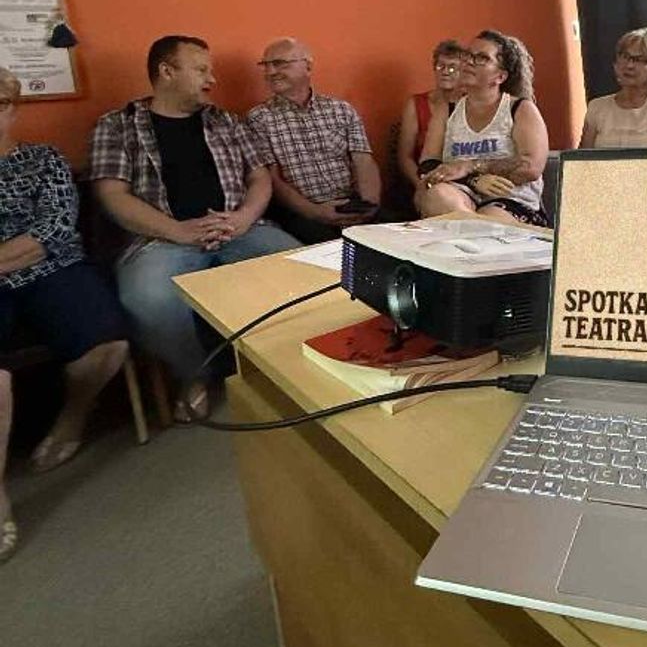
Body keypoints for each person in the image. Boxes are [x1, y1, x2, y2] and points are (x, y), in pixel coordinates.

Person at [90, 35, 298, 416]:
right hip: (163, 239)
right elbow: (112, 196)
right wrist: (178, 231)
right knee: (148, 299)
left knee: (298, 266)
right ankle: (194, 374)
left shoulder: (226, 121)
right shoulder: (118, 125)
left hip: (239, 228)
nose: (212, 79)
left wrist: (243, 218)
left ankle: (282, 362)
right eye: (201, 70)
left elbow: (259, 178)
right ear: (167, 72)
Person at [0, 70, 130, 557]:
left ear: (12, 109)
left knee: (108, 343)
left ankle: (73, 416)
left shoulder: (43, 160)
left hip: (50, 268)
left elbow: (52, 230)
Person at [246, 37, 381, 243]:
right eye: (265, 66)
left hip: (351, 203)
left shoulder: (341, 110)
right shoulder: (259, 118)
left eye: (279, 63)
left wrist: (369, 205)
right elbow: (273, 179)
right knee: (330, 253)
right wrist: (315, 212)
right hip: (302, 212)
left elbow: (363, 161)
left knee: (397, 241)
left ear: (307, 67)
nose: (270, 72)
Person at [417, 31, 550, 226]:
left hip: (511, 200)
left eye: (481, 58)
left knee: (485, 222)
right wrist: (473, 180)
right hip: (461, 194)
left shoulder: (519, 109)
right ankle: (475, 229)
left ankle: (474, 232)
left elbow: (531, 167)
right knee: (437, 196)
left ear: (500, 76)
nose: (469, 62)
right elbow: (428, 165)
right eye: (468, 55)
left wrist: (472, 165)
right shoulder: (447, 110)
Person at [579, 28, 647, 148]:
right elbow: (582, 162)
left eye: (639, 60)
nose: (629, 65)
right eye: (625, 57)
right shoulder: (597, 107)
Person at [396, 39, 465, 187]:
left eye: (452, 68)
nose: (446, 72)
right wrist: (421, 184)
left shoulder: (470, 104)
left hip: (460, 177)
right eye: (441, 66)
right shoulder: (416, 104)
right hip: (423, 177)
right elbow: (404, 157)